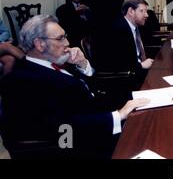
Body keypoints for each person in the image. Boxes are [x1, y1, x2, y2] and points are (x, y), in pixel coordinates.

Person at [0, 15, 149, 159]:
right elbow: (62, 128)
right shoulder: (23, 80)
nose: (67, 43)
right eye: (60, 38)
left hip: (97, 125)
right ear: (40, 44)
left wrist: (83, 65)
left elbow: (92, 94)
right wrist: (118, 116)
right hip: (81, 147)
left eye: (65, 36)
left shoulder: (56, 63)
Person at [93, 0, 154, 88]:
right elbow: (113, 62)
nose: (146, 15)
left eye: (146, 11)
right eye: (142, 11)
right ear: (130, 11)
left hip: (137, 70)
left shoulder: (135, 27)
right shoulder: (116, 30)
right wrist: (141, 65)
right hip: (125, 79)